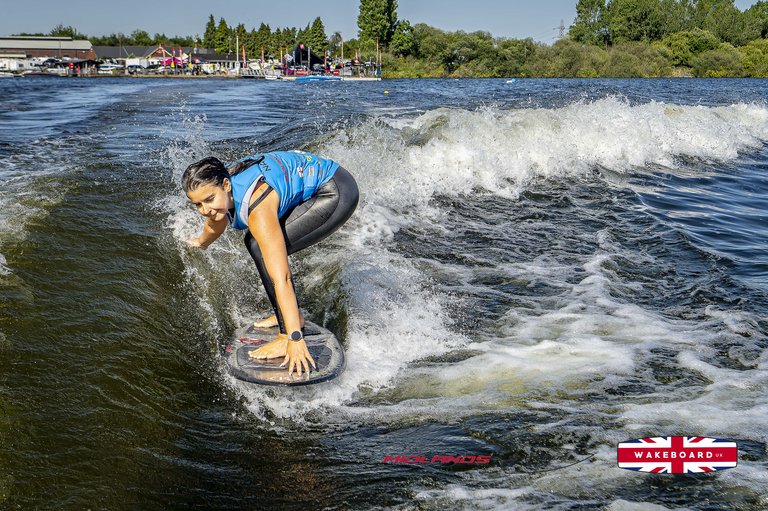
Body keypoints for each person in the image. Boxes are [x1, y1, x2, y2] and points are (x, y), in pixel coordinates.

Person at [182, 151, 359, 375]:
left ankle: (289, 331)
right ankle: (289, 316)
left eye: (209, 200)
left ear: (226, 184)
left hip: (336, 191)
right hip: (317, 181)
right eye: (197, 204)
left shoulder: (258, 209)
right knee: (256, 243)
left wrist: (294, 338)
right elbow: (214, 221)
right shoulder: (222, 188)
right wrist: (200, 243)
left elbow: (281, 277)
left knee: (259, 247)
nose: (205, 210)